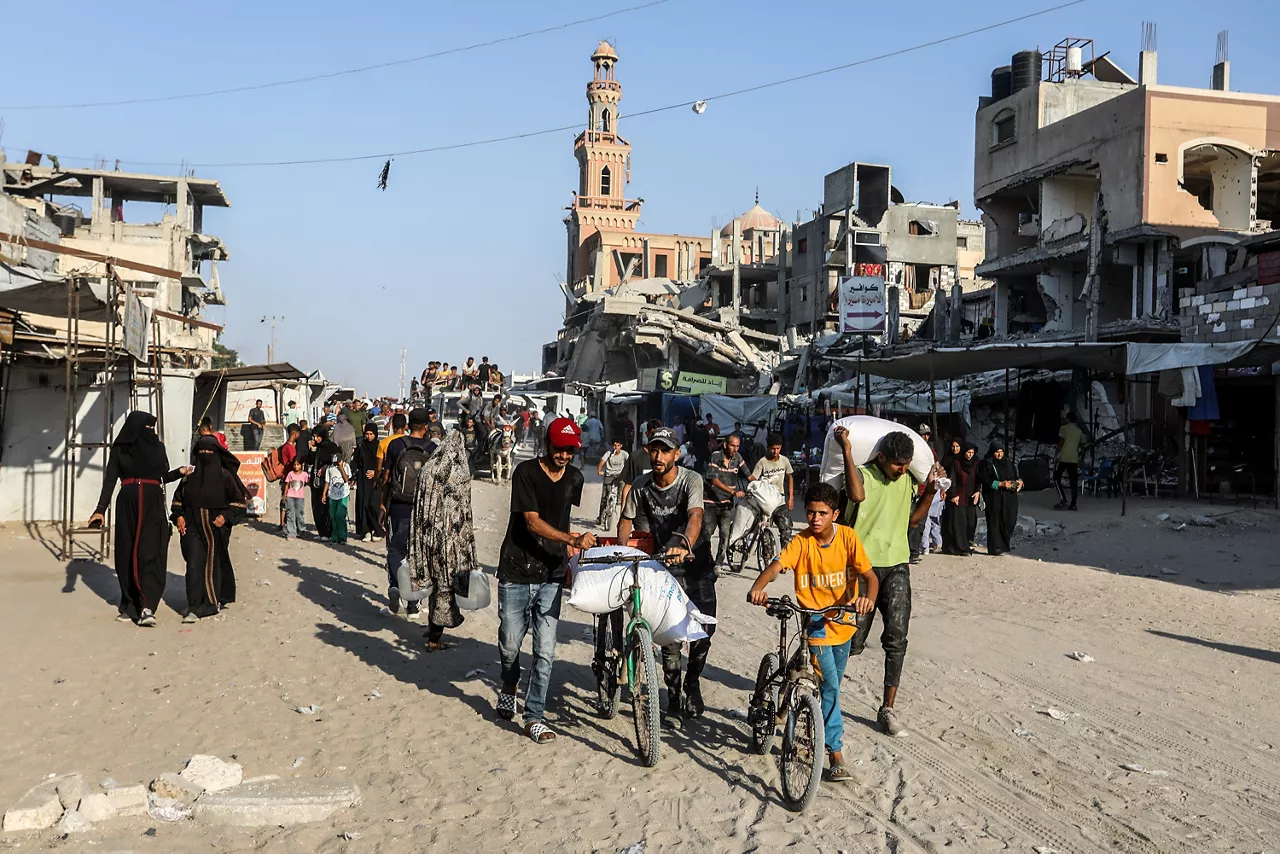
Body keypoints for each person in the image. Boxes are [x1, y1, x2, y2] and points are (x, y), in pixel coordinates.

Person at [747, 481, 878, 782]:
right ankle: (835, 753)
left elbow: (870, 576)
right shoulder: (801, 542)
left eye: (822, 513)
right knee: (830, 686)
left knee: (832, 684)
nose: (815, 519)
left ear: (835, 513)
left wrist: (867, 598)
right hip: (815, 624)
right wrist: (758, 587)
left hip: (844, 624)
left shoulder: (848, 538)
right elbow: (777, 565)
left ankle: (813, 724)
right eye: (810, 512)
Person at [495, 417, 595, 744]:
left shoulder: (576, 478)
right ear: (546, 444)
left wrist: (572, 552)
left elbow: (562, 514)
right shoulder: (525, 473)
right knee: (510, 643)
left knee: (546, 650)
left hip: (551, 573)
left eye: (570, 451)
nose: (564, 455)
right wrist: (570, 538)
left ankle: (533, 716)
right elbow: (533, 522)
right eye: (559, 448)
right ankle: (509, 685)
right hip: (516, 568)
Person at [837, 426, 939, 737]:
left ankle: (887, 709)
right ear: (881, 457)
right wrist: (846, 449)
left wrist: (931, 491)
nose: (903, 469)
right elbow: (856, 496)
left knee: (897, 639)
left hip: (897, 564)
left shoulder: (907, 480)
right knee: (851, 642)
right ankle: (824, 695)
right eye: (897, 464)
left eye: (907, 465)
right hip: (862, 568)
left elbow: (913, 520)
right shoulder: (863, 475)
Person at [617, 427, 714, 720]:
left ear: (677, 453)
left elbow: (696, 516)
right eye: (654, 450)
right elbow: (626, 519)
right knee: (670, 639)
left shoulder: (690, 480)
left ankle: (692, 683)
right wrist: (624, 552)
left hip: (697, 565)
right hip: (665, 568)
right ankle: (673, 697)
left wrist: (684, 543)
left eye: (665, 451)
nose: (658, 456)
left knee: (703, 633)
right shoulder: (641, 485)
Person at [88, 411, 191, 627]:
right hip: (127, 502)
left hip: (152, 503)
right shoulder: (120, 448)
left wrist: (179, 472)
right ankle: (129, 603)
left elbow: (161, 477)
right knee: (126, 552)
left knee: (150, 551)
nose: (150, 433)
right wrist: (100, 509)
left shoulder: (157, 447)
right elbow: (110, 480)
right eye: (147, 428)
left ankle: (147, 606)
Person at [171, 435, 249, 622]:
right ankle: (195, 605)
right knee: (194, 565)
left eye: (209, 452)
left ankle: (211, 603)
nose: (205, 456)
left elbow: (239, 504)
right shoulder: (189, 478)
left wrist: (225, 516)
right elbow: (177, 502)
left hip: (216, 530)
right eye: (201, 452)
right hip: (192, 528)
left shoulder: (225, 476)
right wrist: (179, 517)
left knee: (213, 564)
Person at [382, 408, 436, 618]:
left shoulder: (396, 444)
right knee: (418, 554)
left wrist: (382, 506)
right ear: (426, 427)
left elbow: (387, 477)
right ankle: (413, 601)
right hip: (423, 509)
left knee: (396, 549)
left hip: (398, 505)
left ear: (407, 425)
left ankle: (395, 585)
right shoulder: (432, 448)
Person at [704, 432, 749, 569]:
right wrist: (732, 492)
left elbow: (749, 475)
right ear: (725, 445)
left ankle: (718, 564)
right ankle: (706, 561)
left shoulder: (738, 458)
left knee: (725, 536)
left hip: (727, 505)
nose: (735, 449)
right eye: (732, 446)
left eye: (738, 446)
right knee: (707, 535)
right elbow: (713, 480)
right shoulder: (716, 457)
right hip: (711, 503)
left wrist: (760, 486)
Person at [749, 433, 795, 550]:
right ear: (768, 447)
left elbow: (790, 477)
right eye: (773, 449)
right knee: (765, 533)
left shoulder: (784, 461)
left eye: (778, 448)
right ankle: (766, 556)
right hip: (765, 503)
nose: (775, 452)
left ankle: (784, 557)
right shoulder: (762, 462)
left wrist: (791, 497)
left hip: (780, 501)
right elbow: (754, 479)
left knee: (786, 529)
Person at [980, 441, 1022, 556]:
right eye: (997, 452)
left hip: (1009, 497)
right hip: (994, 497)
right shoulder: (986, 463)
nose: (999, 455)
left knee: (1010, 519)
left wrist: (1019, 482)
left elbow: (1016, 475)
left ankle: (1004, 544)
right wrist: (1000, 484)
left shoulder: (1007, 462)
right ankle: (995, 548)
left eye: (1001, 452)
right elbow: (985, 480)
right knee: (995, 522)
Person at [941, 441, 980, 555]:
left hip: (970, 497)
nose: (970, 455)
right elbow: (952, 479)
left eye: (972, 453)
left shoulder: (975, 464)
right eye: (968, 452)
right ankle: (960, 548)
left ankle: (965, 544)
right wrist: (953, 495)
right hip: (958, 497)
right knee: (959, 524)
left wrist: (978, 491)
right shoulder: (957, 463)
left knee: (970, 522)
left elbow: (977, 479)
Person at [353, 422, 384, 542]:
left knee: (373, 504)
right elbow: (355, 461)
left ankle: (376, 529)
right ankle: (365, 531)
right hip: (362, 479)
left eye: (371, 434)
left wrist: (375, 473)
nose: (369, 436)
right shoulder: (361, 446)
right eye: (367, 434)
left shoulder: (379, 446)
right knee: (363, 503)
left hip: (375, 480)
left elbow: (384, 463)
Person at [309, 425, 340, 540]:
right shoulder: (317, 447)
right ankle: (321, 532)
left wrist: (326, 467)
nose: (315, 439)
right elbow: (310, 460)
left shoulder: (331, 446)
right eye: (314, 436)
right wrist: (311, 450)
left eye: (317, 436)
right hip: (316, 482)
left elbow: (337, 460)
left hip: (327, 482)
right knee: (316, 507)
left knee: (326, 507)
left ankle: (329, 532)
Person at [595, 438, 629, 529]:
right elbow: (602, 462)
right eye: (614, 445)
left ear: (621, 446)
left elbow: (629, 463)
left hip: (619, 476)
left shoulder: (624, 454)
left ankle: (619, 498)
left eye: (618, 445)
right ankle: (600, 517)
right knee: (604, 498)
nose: (616, 447)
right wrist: (599, 470)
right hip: (609, 475)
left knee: (623, 484)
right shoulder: (608, 453)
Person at [1055, 412, 1084, 511]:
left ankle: (1063, 500)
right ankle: (1073, 504)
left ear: (1068, 419)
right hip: (1074, 459)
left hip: (1063, 457)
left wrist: (1056, 455)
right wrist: (1081, 458)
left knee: (1056, 477)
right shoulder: (1079, 431)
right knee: (1073, 482)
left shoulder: (1064, 428)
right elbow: (1082, 447)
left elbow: (1061, 443)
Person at [283, 456, 310, 539]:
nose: (296, 467)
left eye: (298, 465)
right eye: (294, 465)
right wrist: (285, 496)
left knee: (299, 514)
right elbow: (287, 485)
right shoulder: (290, 474)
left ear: (302, 465)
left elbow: (308, 483)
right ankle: (291, 532)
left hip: (300, 498)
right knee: (290, 514)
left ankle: (301, 529)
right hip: (290, 496)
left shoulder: (305, 475)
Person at [376, 412, 408, 476]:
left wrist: (377, 480)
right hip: (407, 477)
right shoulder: (410, 441)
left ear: (392, 426)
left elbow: (379, 467)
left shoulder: (383, 442)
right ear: (405, 426)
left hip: (389, 477)